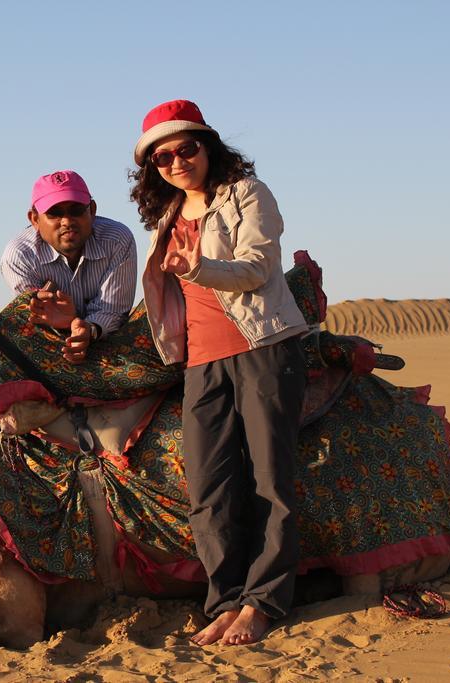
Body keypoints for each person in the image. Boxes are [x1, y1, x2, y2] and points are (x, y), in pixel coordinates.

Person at [131, 99, 309, 646]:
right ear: (153, 169)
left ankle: (263, 602)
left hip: (261, 347)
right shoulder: (166, 218)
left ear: (208, 147)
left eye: (187, 148)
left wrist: (200, 267)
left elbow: (258, 266)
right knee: (208, 486)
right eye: (163, 157)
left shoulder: (249, 195)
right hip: (201, 363)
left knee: (270, 480)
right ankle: (226, 599)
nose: (177, 161)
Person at [1, 170, 136, 363]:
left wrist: (88, 330)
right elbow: (34, 320)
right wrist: (64, 327)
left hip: (106, 339)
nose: (67, 221)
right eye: (54, 213)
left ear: (92, 210)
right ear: (34, 220)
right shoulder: (20, 255)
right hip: (50, 346)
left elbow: (113, 309)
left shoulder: (116, 240)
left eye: (76, 210)